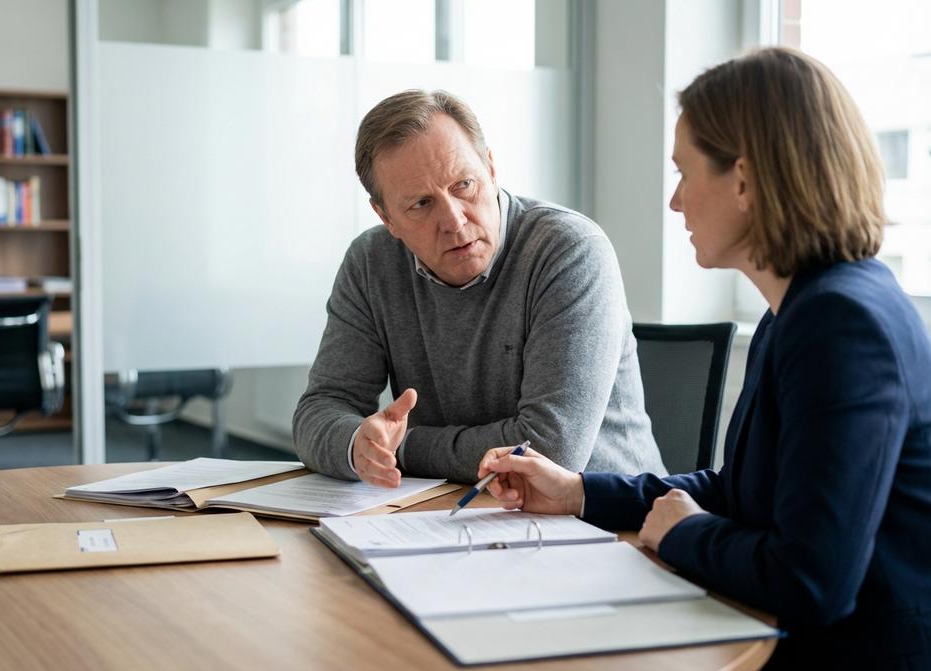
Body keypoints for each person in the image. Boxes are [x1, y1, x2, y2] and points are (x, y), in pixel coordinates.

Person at [477, 47, 931, 668]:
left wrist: (686, 533)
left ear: (742, 181)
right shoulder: (800, 308)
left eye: (683, 174)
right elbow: (740, 493)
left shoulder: (841, 325)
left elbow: (814, 580)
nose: (676, 203)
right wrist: (577, 493)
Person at [293, 90, 665, 486]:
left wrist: (402, 448)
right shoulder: (372, 262)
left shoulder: (569, 249)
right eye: (421, 204)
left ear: (490, 167)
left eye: (463, 185)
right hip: (452, 511)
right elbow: (321, 408)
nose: (453, 220)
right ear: (386, 217)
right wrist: (358, 446)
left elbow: (550, 450)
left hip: (607, 521)